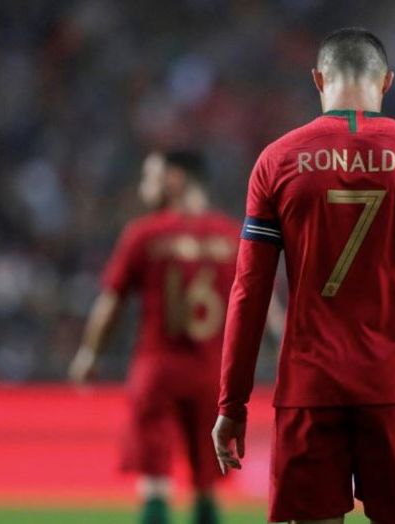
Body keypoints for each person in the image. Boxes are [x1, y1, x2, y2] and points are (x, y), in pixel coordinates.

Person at [212, 28, 395, 524]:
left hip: (310, 386)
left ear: (318, 79)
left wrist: (232, 403)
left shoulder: (277, 161)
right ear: (387, 82)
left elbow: (249, 290)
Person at [70, 150, 239, 524]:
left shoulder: (144, 234)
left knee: (155, 482)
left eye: (150, 177)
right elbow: (262, 305)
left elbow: (111, 302)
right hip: (215, 373)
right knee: (207, 482)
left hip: (157, 368)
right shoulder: (231, 235)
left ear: (174, 179)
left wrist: (89, 353)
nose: (144, 187)